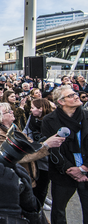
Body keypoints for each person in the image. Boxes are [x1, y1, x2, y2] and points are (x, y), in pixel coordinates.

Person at [0, 102, 65, 187]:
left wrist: (42, 144)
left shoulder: (12, 126)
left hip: (27, 175)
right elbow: (18, 157)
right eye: (8, 111)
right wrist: (46, 146)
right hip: (15, 180)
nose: (12, 112)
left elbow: (29, 142)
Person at [41, 85, 88, 224]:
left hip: (86, 170)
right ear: (61, 101)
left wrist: (84, 168)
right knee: (59, 211)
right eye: (71, 95)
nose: (76, 96)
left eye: (75, 94)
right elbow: (52, 148)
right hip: (63, 174)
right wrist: (70, 169)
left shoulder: (86, 116)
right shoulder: (49, 120)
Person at [23, 98, 54, 210]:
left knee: (44, 181)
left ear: (41, 109)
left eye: (32, 108)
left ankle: (41, 200)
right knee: (37, 180)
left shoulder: (51, 120)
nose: (30, 110)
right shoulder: (32, 118)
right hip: (34, 153)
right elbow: (26, 130)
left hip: (46, 156)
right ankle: (38, 202)